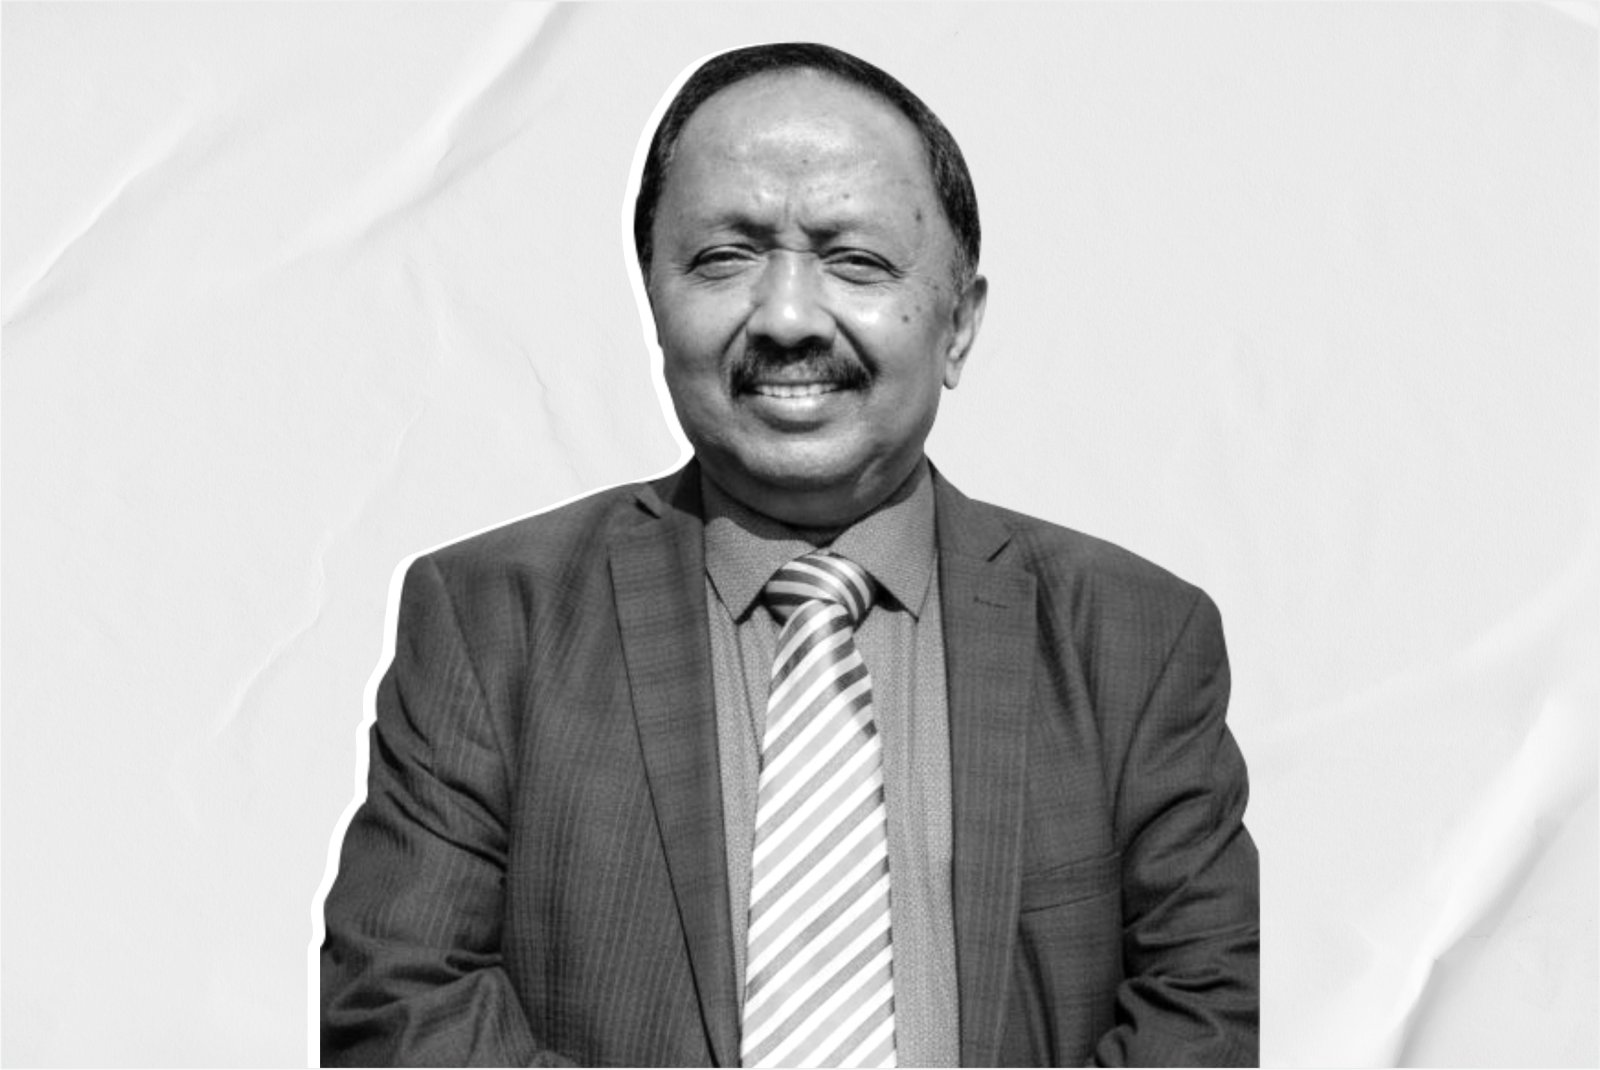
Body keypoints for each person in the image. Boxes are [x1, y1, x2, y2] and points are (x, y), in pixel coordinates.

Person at [320, 42, 1258, 1067]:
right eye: (725, 257)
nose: (787, 317)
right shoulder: (491, 620)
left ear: (959, 323)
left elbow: (1205, 1010)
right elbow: (397, 1005)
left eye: (855, 260)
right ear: (654, 301)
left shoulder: (1133, 641)